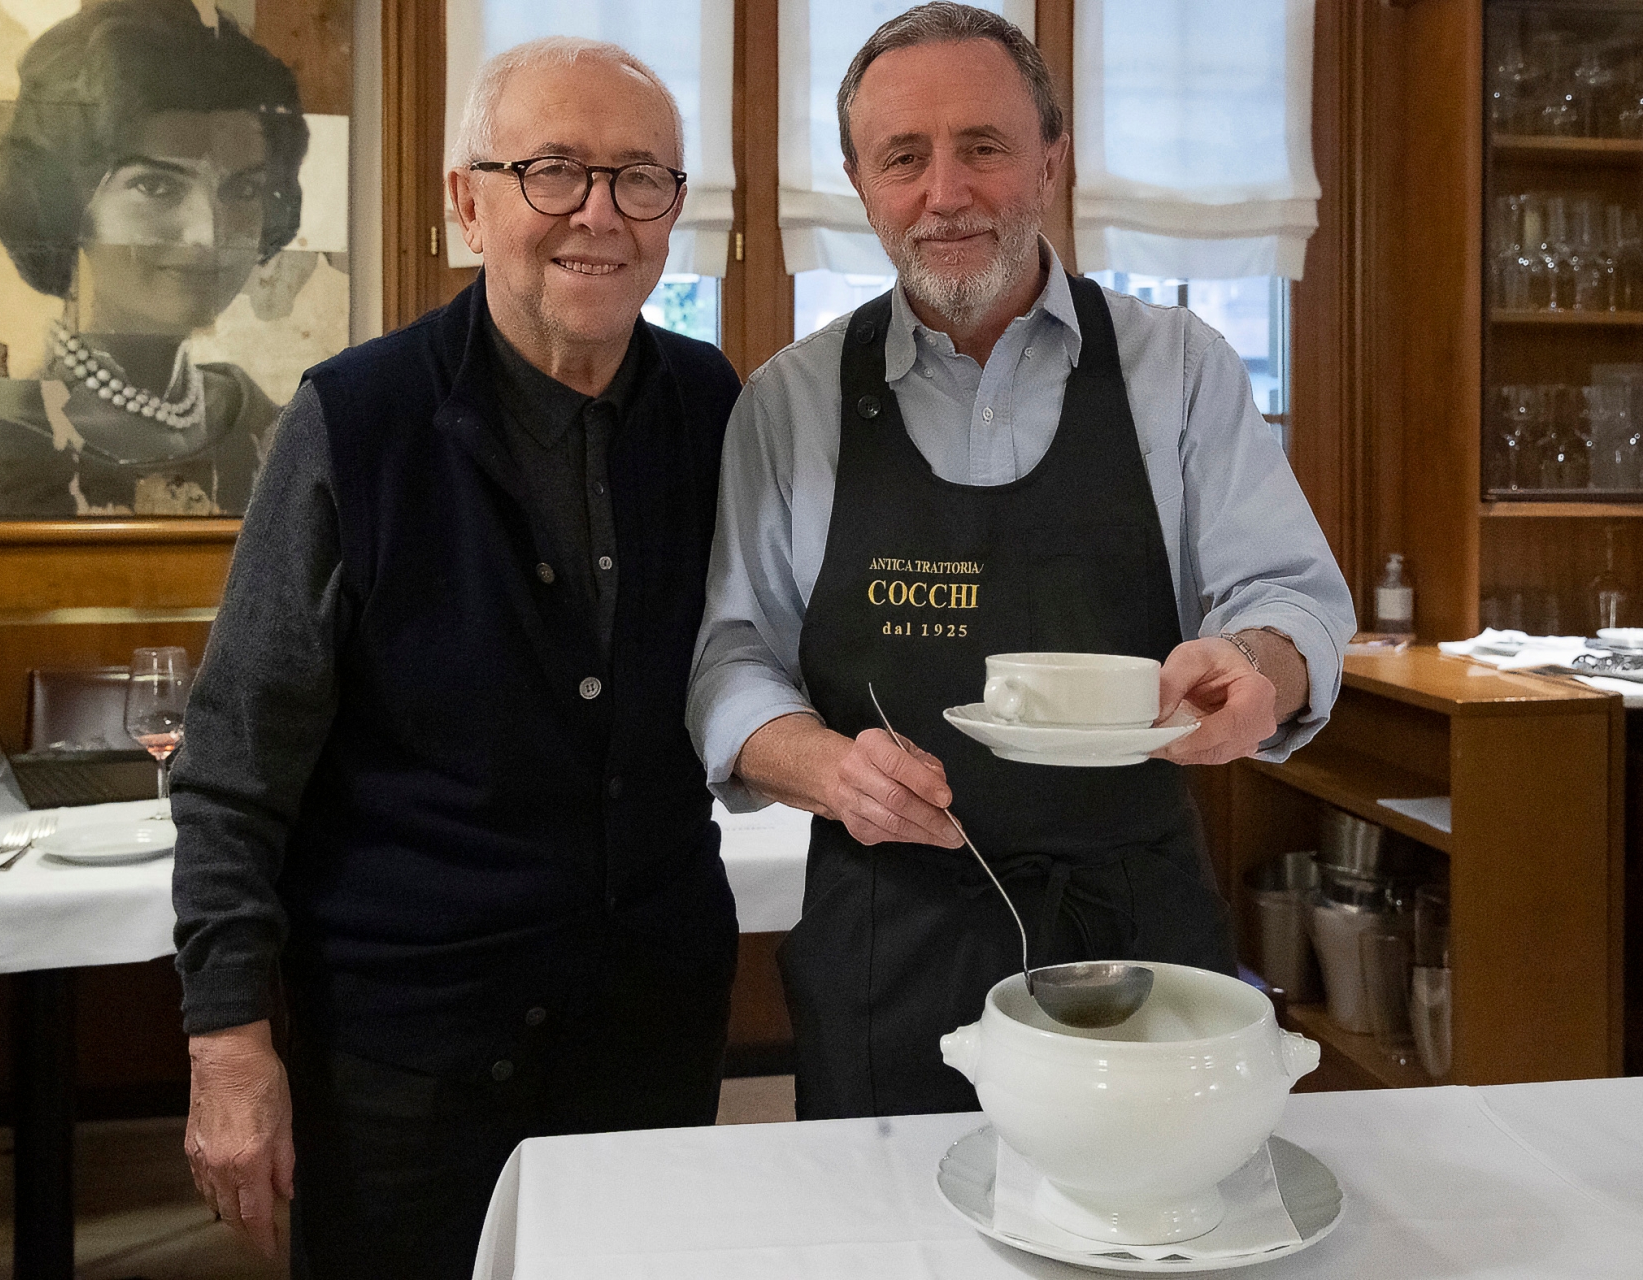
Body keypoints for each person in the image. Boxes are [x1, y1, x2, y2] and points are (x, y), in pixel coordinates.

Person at [688, 2, 1355, 1121]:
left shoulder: (1179, 368)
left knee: (1158, 1196)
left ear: (1052, 159)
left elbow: (1287, 595)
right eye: (904, 157)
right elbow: (732, 656)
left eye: (984, 146)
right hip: (890, 937)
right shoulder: (789, 403)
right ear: (860, 185)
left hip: (1137, 930)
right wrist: (826, 768)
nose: (946, 192)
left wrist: (1256, 667)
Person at [170, 38, 742, 1278]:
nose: (600, 213)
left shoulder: (714, 407)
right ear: (467, 202)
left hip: (649, 1028)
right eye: (553, 170)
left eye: (640, 176)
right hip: (406, 1057)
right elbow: (233, 759)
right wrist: (228, 1037)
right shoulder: (355, 420)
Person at [0, 0, 309, 517]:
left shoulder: (273, 428)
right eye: (156, 187)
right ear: (67, 205)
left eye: (243, 190)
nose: (207, 235)